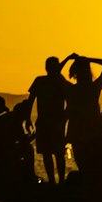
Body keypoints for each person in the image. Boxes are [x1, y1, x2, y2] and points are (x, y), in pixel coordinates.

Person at [64, 54, 102, 187]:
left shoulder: (71, 89)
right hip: (95, 128)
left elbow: (55, 74)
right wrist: (88, 59)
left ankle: (88, 188)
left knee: (83, 163)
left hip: (78, 129)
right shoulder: (94, 87)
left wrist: (68, 59)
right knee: (98, 162)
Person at [27, 56, 71, 185]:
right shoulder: (41, 81)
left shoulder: (60, 83)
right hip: (45, 122)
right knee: (48, 153)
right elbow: (31, 100)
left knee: (57, 153)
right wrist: (27, 118)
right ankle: (54, 181)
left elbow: (70, 102)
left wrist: (64, 117)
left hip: (56, 123)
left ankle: (59, 181)